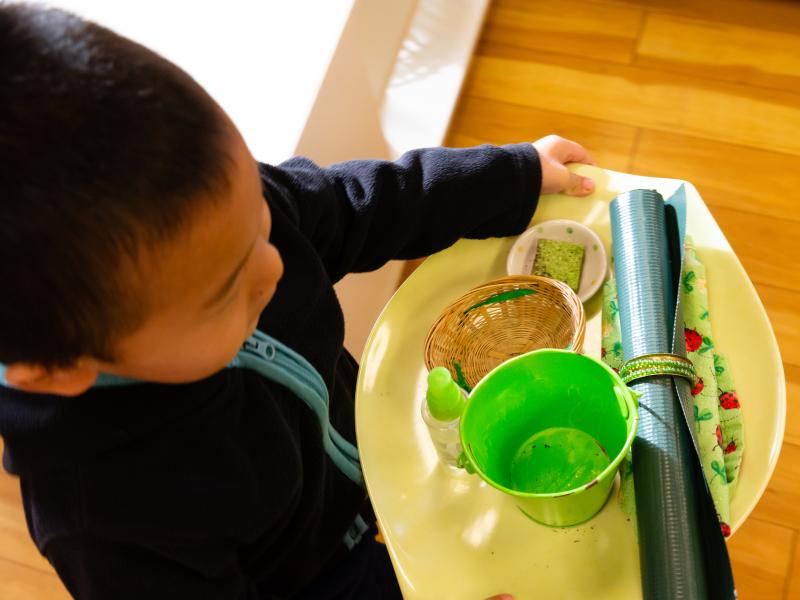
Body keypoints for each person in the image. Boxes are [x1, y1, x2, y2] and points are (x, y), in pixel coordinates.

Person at [0, 3, 595, 599]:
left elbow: (360, 202)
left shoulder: (214, 225)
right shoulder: (105, 522)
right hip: (315, 576)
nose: (275, 264)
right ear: (57, 371)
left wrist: (510, 176)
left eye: (260, 221)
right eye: (224, 292)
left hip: (359, 450)